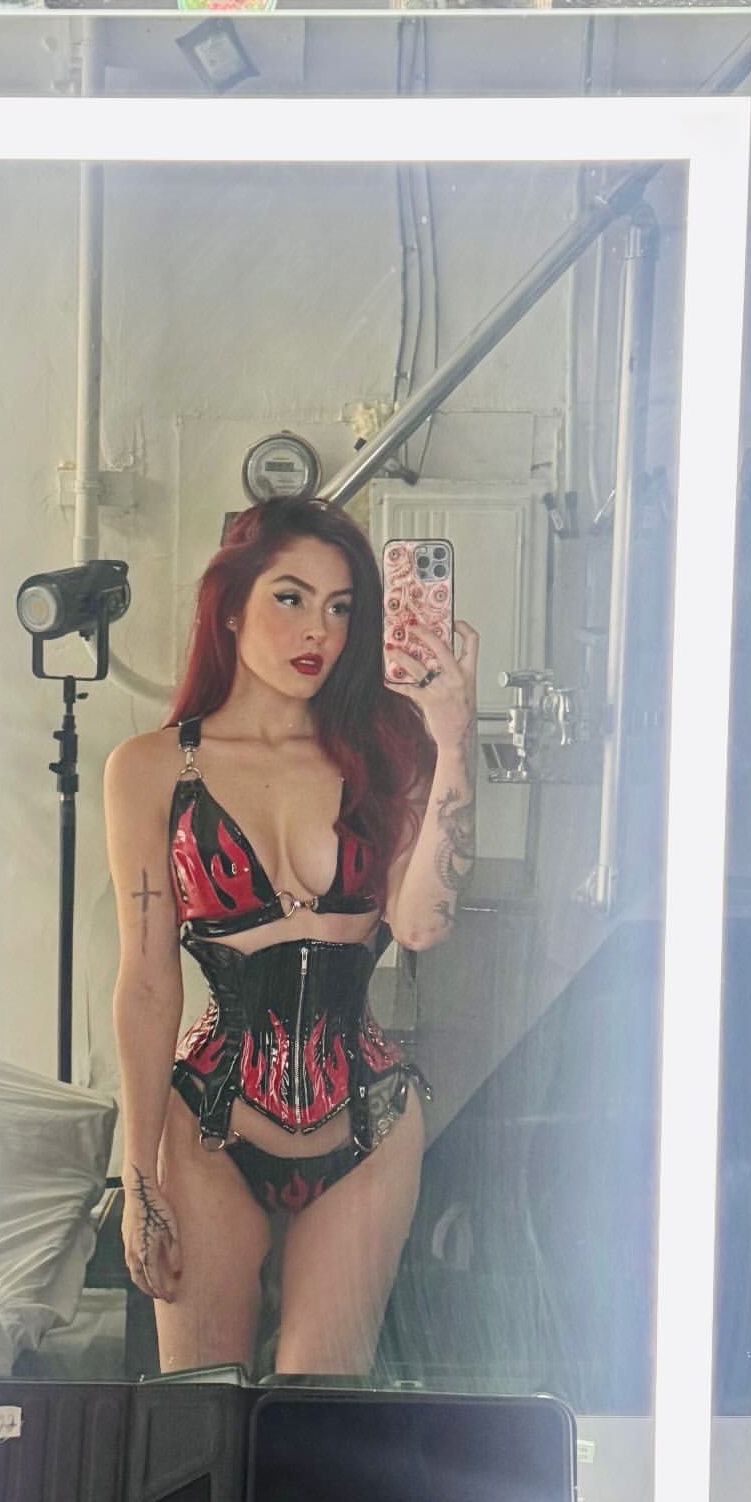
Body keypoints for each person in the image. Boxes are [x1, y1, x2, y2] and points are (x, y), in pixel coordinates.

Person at [104, 496, 477, 1377]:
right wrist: (137, 1172)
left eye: (341, 607)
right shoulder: (150, 769)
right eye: (291, 598)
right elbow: (149, 981)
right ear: (231, 606)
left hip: (367, 1124)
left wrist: (454, 736)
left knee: (317, 1416)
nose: (319, 630)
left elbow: (421, 923)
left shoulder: (391, 754)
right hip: (210, 1127)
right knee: (202, 1411)